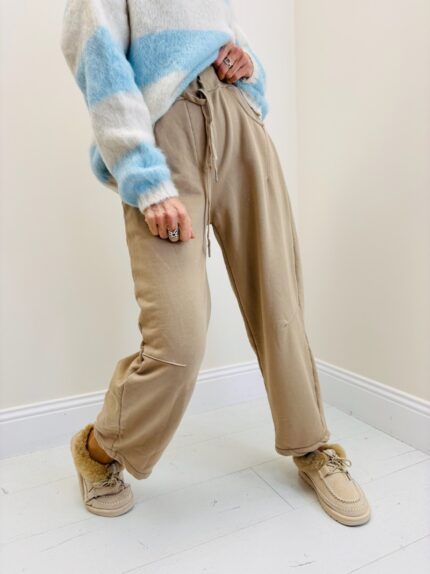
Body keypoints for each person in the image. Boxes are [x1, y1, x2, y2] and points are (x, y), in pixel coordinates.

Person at [60, 0, 371, 526]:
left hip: (238, 124)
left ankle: (313, 445)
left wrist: (249, 67)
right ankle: (99, 449)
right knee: (178, 340)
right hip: (164, 142)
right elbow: (96, 53)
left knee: (280, 303)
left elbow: (222, 35)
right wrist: (142, 176)